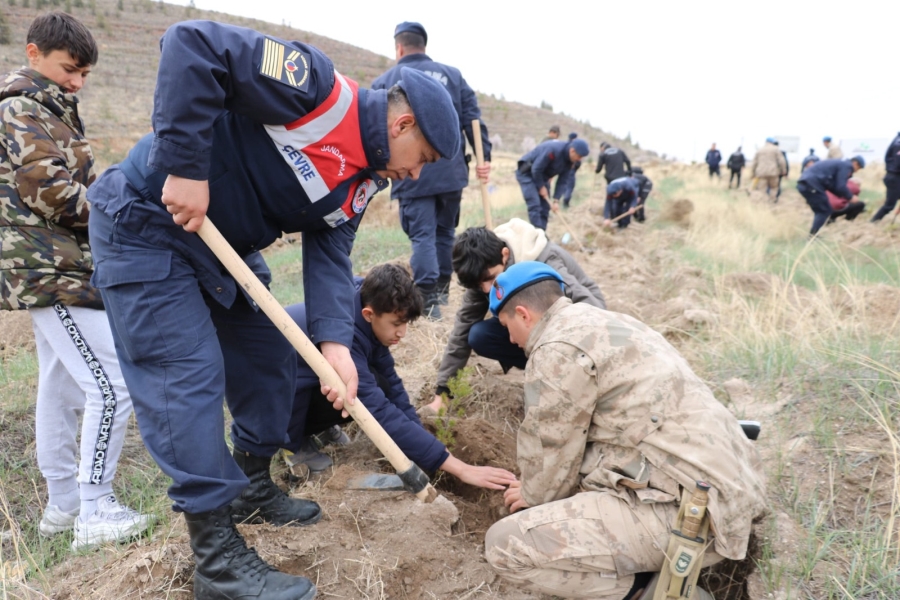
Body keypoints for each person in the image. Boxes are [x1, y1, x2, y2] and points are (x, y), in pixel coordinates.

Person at [85, 20, 460, 600]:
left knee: (268, 357)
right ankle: (217, 560)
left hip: (224, 249)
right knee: (188, 376)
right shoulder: (314, 89)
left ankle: (252, 484)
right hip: (147, 224)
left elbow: (330, 255)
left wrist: (336, 345)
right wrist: (186, 166)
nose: (415, 174)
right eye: (422, 158)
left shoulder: (363, 183)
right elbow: (191, 45)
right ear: (402, 124)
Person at [482, 261, 767, 600]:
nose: (510, 340)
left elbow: (550, 460)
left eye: (507, 327)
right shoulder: (609, 322)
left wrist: (531, 493)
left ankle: (650, 591)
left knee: (505, 545)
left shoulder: (555, 349)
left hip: (696, 515)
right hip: (733, 490)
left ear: (523, 314)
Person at [0, 11, 154, 550]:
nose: (77, 82)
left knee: (61, 384)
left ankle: (64, 506)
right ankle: (95, 509)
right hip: (50, 267)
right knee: (112, 384)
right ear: (34, 52)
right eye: (70, 69)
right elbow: (52, 192)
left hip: (54, 263)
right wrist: (125, 211)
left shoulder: (48, 108)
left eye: (85, 74)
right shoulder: (21, 109)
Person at [283, 263, 518, 491]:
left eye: (405, 323)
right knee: (353, 392)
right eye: (396, 323)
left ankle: (317, 427)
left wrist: (422, 439)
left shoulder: (367, 303)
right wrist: (460, 468)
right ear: (369, 314)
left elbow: (392, 387)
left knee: (380, 383)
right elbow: (379, 411)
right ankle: (293, 443)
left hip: (301, 378)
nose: (402, 333)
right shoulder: (345, 336)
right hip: (272, 393)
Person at [371, 21, 491, 320]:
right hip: (451, 172)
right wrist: (484, 158)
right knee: (445, 232)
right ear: (423, 46)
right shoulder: (453, 75)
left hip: (412, 172)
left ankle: (428, 301)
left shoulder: (387, 79)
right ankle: (442, 292)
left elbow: (373, 127)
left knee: (423, 235)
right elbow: (473, 120)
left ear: (399, 47)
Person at [424, 219, 605, 415]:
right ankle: (541, 370)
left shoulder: (542, 261)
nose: (487, 289)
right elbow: (462, 330)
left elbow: (590, 306)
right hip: (535, 327)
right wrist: (443, 394)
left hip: (577, 321)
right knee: (479, 335)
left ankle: (567, 374)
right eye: (479, 285)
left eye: (490, 279)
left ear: (505, 255)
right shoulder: (481, 274)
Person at [516, 137, 590, 230]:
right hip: (527, 172)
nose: (579, 160)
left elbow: (562, 181)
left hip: (542, 176)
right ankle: (538, 234)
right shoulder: (553, 150)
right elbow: (536, 169)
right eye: (579, 156)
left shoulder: (570, 162)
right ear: (572, 151)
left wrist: (556, 200)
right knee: (535, 205)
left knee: (545, 207)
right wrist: (541, 187)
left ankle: (542, 233)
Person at [796, 156, 865, 236]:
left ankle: (815, 234)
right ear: (855, 163)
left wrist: (844, 195)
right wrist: (851, 197)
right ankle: (813, 236)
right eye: (859, 168)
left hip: (806, 183)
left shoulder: (840, 164)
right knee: (824, 211)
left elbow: (833, 186)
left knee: (824, 210)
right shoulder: (846, 166)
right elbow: (841, 186)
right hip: (811, 184)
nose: (856, 171)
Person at [869, 132, 900, 222]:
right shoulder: (898, 143)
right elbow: (898, 163)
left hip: (893, 175)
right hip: (895, 177)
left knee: (890, 204)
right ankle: (873, 222)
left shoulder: (897, 139)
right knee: (889, 206)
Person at [556, 132, 582, 209]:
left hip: (562, 169)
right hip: (570, 170)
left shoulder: (565, 145)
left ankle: (560, 199)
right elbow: (578, 161)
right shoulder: (575, 147)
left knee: (563, 184)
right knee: (570, 186)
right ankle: (565, 202)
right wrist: (575, 167)